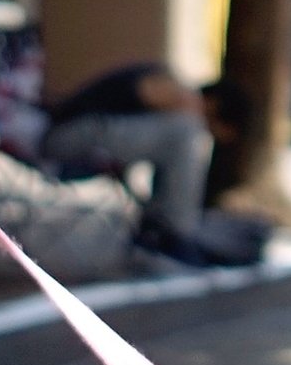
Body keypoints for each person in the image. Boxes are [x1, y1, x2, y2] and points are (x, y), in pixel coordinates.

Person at [39, 61, 220, 257]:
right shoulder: (169, 89)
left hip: (82, 139)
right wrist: (187, 105)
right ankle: (172, 233)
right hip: (64, 138)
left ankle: (164, 228)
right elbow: (154, 94)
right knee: (186, 131)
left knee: (185, 132)